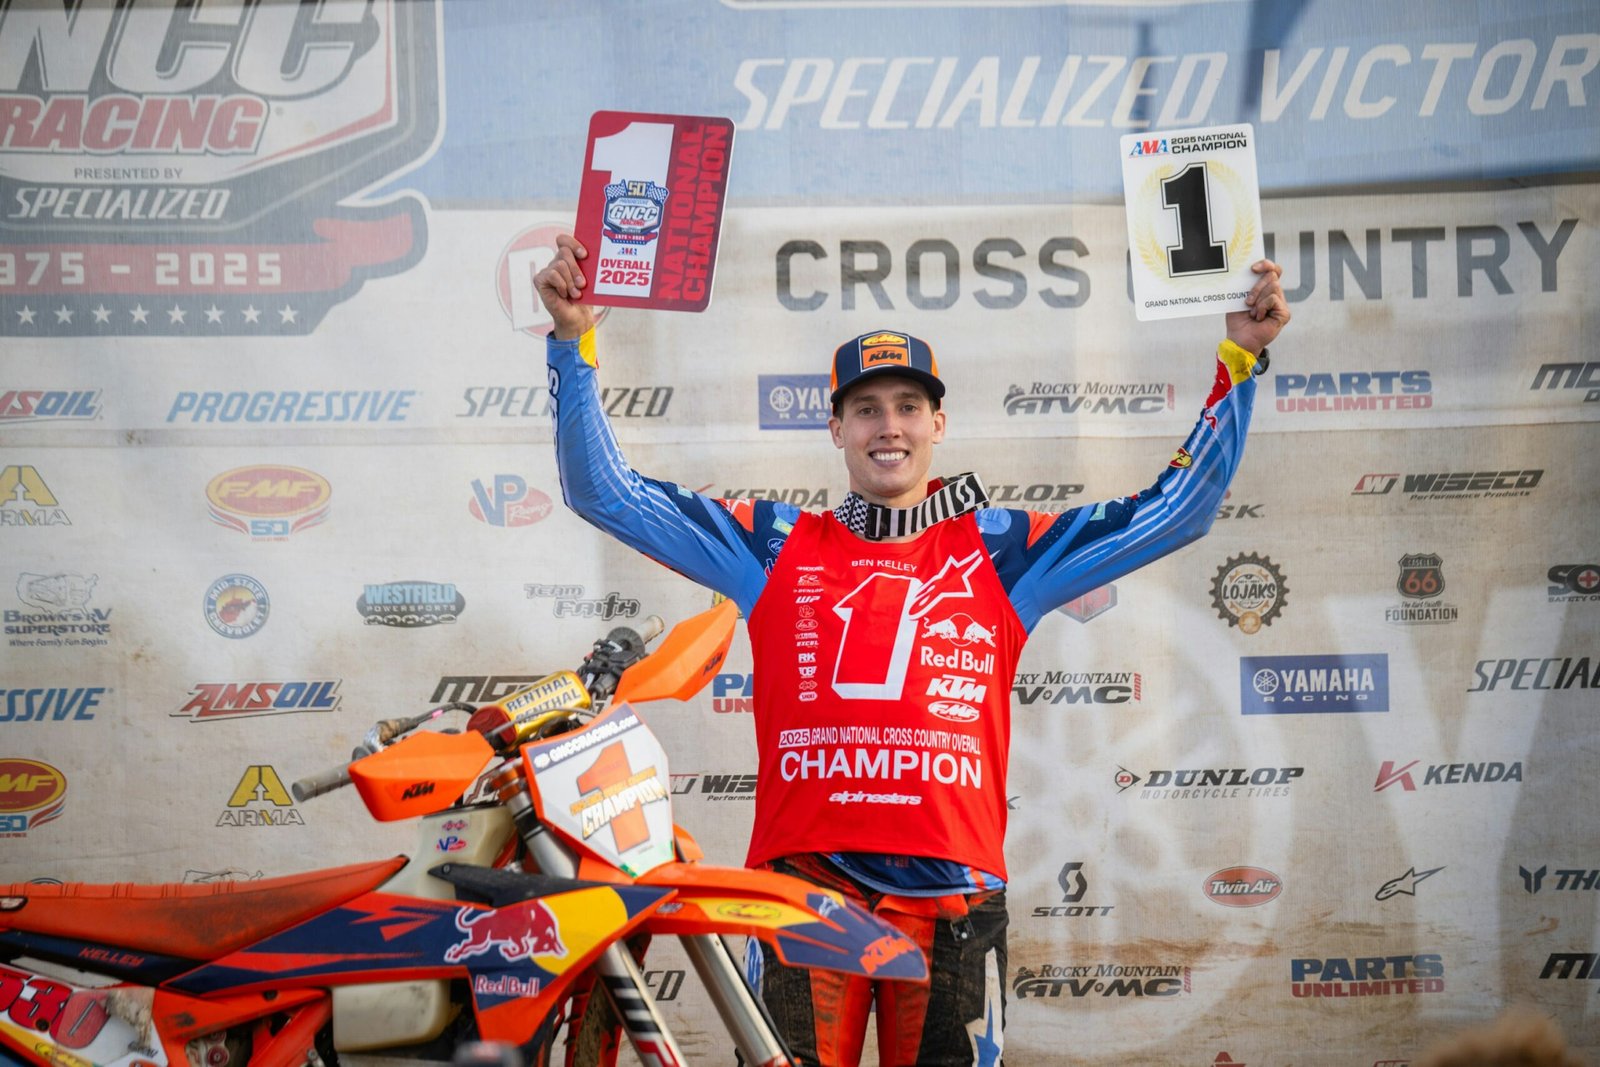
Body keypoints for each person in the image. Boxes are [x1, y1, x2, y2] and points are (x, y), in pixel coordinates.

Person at [536, 234, 1289, 1067]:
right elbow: (605, 492)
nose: (888, 426)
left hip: (954, 900)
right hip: (804, 891)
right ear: (835, 427)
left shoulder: (1004, 549)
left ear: (938, 423)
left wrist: (1240, 358)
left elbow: (1179, 509)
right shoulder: (773, 543)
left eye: (906, 405)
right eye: (865, 408)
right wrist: (573, 341)